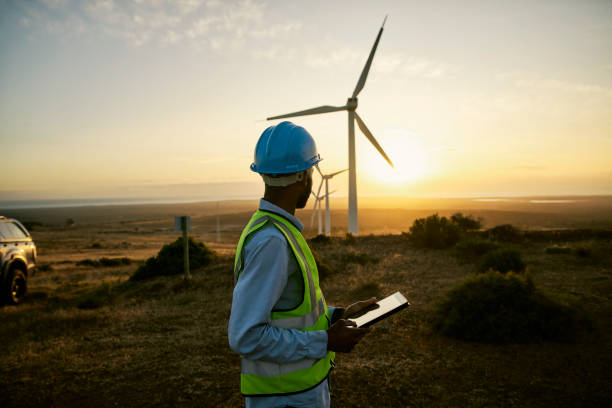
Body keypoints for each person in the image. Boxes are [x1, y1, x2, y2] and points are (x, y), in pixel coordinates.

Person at [228, 121, 377, 408]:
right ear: (302, 177)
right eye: (310, 171)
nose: (311, 178)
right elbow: (245, 336)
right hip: (285, 400)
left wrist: (337, 315)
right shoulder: (272, 241)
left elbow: (286, 311)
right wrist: (326, 342)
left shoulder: (275, 230)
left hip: (294, 394)